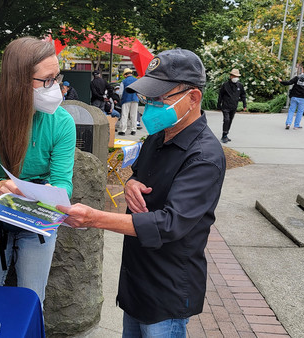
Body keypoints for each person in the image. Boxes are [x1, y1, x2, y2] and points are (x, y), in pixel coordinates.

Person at [58, 48, 226, 337]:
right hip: (137, 278)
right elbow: (139, 174)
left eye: (161, 99)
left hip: (168, 287)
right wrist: (130, 183)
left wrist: (95, 219)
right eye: (149, 98)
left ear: (193, 98)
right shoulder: (158, 137)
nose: (151, 107)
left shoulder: (204, 156)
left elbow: (169, 223)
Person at [0, 36, 76, 304]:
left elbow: (63, 182)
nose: (56, 87)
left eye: (57, 77)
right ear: (19, 81)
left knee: (32, 300)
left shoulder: (62, 122)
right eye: (47, 80)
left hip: (40, 212)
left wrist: (52, 193)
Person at [279, 65, 304, 130]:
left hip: (294, 96)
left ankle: (288, 124)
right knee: (300, 112)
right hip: (303, 98)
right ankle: (296, 126)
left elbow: (289, 82)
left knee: (291, 110)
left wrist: (281, 81)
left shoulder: (298, 77)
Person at [217, 68, 247, 143]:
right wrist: (219, 104)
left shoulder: (240, 86)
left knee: (230, 120)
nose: (235, 78)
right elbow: (221, 95)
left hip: (234, 106)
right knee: (226, 119)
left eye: (236, 76)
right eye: (234, 76)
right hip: (226, 106)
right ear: (230, 76)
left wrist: (244, 105)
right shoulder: (225, 85)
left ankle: (226, 134)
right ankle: (224, 135)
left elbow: (243, 95)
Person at [118, 68, 140, 136]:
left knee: (125, 115)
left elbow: (120, 93)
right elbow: (139, 91)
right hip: (135, 99)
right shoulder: (137, 80)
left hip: (126, 99)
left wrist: (121, 99)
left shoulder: (123, 81)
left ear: (125, 75)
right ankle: (133, 130)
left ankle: (123, 130)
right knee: (134, 115)